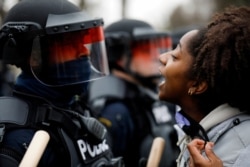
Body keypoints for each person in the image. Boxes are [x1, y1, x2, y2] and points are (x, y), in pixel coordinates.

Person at [0, 0, 124, 166]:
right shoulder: (17, 138)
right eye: (69, 43)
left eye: (82, 42)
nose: (84, 52)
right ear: (34, 56)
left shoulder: (79, 112)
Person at [158, 5, 250, 167]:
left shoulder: (242, 151)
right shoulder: (201, 133)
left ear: (198, 84)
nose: (162, 57)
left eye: (175, 56)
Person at [87, 18, 180, 167]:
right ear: (118, 57)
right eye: (145, 50)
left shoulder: (148, 95)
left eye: (157, 48)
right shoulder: (115, 111)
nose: (158, 56)